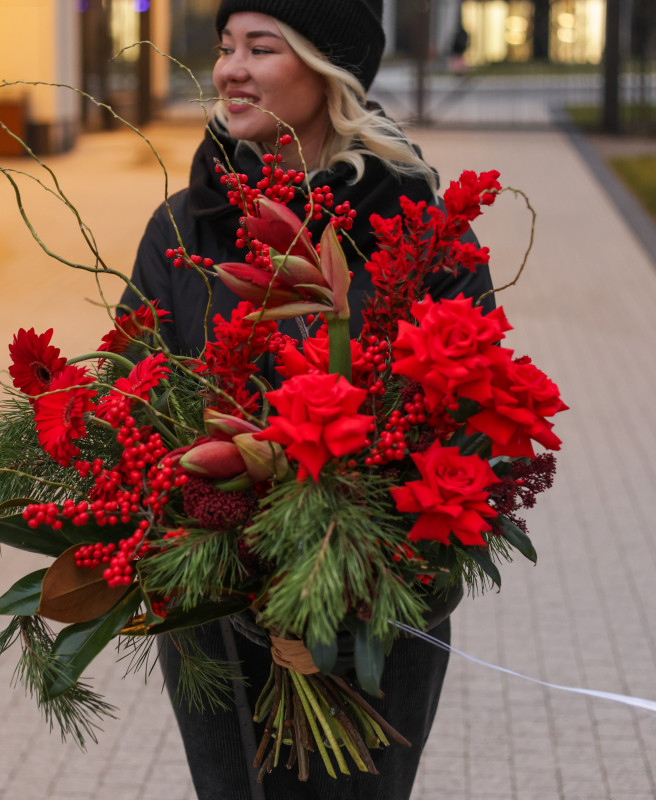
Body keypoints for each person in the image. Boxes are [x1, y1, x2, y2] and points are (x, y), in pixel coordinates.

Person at [120, 2, 494, 798]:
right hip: (213, 608)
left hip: (378, 607)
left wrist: (348, 545)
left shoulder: (421, 228)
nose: (229, 70)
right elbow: (131, 392)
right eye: (225, 48)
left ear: (330, 69)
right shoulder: (186, 228)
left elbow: (472, 419)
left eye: (261, 47)